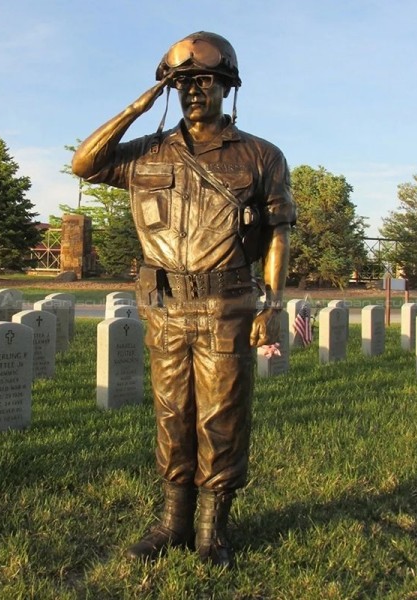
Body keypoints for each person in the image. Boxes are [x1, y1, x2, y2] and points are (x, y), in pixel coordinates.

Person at [72, 31, 296, 568]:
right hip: (166, 305)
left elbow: (280, 231)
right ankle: (172, 521)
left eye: (206, 81)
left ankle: (211, 529)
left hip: (226, 306)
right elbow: (84, 163)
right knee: (172, 416)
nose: (195, 90)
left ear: (226, 87)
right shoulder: (146, 152)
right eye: (184, 82)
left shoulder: (261, 155)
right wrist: (141, 102)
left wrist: (274, 304)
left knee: (222, 418)